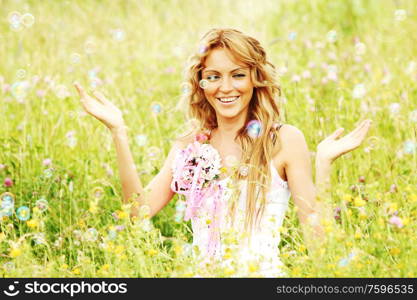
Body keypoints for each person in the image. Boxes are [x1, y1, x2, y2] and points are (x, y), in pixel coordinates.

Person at [74, 28, 371, 277]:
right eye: (214, 76)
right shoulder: (191, 145)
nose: (225, 87)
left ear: (255, 78)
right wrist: (118, 132)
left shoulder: (283, 140)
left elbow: (319, 244)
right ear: (201, 84)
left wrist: (324, 163)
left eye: (238, 75)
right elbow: (138, 212)